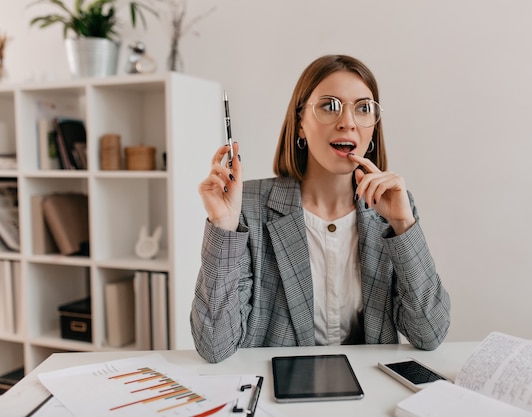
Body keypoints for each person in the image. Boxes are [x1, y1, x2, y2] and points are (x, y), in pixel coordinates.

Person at [191, 54, 451, 363]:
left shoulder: (393, 209)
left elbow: (430, 332)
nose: (348, 122)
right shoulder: (247, 207)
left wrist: (403, 225)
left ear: (373, 128)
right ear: (300, 124)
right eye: (329, 105)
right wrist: (223, 225)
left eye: (363, 108)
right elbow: (214, 345)